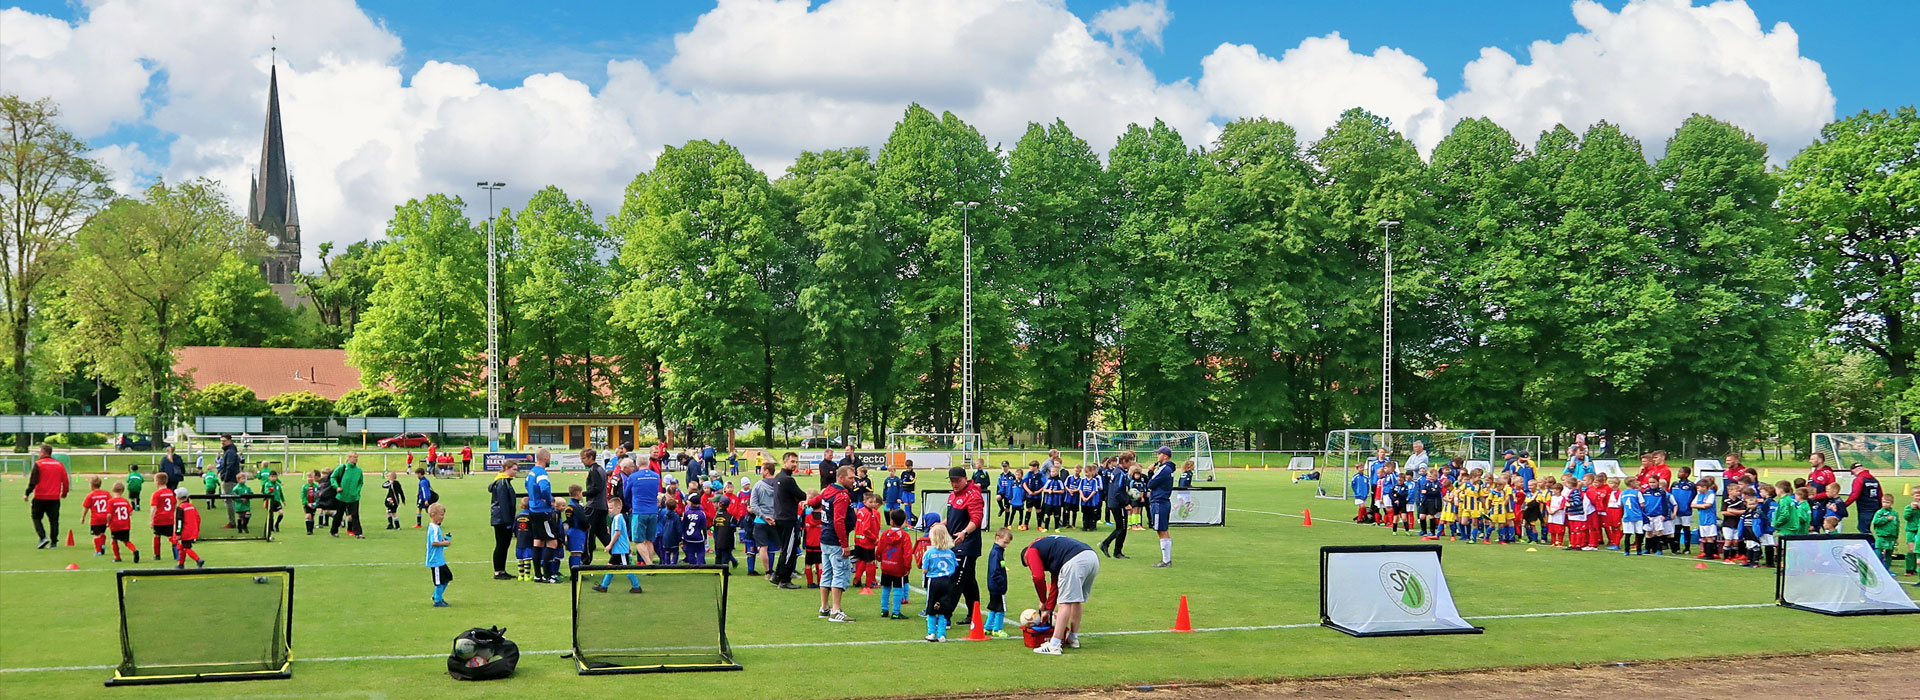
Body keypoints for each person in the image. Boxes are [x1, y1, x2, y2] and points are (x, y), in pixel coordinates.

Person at [1023, 534, 1099, 656]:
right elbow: (1055, 583)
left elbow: (1038, 577)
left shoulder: (1031, 551)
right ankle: (1073, 638)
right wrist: (1048, 609)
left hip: (1075, 561)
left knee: (1064, 603)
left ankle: (1054, 645)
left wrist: (1043, 600)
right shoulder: (1051, 549)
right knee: (1076, 600)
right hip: (1092, 557)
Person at [811, 466, 857, 622]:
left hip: (825, 537)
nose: (853, 481)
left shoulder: (828, 490)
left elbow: (814, 502)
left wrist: (806, 502)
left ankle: (824, 607)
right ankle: (836, 611)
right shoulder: (842, 496)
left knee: (827, 573)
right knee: (840, 573)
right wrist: (844, 544)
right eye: (851, 478)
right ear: (841, 478)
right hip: (836, 540)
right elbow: (839, 521)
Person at [944, 464, 987, 624]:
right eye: (952, 481)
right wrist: (941, 524)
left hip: (967, 545)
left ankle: (945, 615)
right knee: (969, 582)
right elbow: (952, 517)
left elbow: (976, 518)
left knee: (957, 579)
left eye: (957, 481)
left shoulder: (973, 495)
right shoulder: (952, 495)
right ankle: (973, 614)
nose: (954, 484)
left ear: (964, 479)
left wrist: (964, 533)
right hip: (955, 543)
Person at [770, 453, 808, 589]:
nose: (795, 464)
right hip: (788, 518)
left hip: (779, 516)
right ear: (785, 462)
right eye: (792, 461)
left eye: (796, 462)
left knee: (786, 548)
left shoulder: (778, 478)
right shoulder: (788, 480)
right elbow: (802, 495)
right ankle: (784, 580)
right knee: (790, 550)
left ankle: (777, 575)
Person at [525, 449, 562, 583]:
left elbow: (526, 485)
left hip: (533, 509)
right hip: (542, 511)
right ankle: (548, 575)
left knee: (538, 540)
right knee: (552, 541)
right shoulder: (541, 473)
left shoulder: (532, 472)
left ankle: (537, 575)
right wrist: (549, 499)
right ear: (545, 457)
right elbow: (544, 488)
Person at [595, 496, 645, 594]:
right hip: (619, 549)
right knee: (611, 566)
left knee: (626, 568)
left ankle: (636, 586)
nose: (609, 510)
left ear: (618, 508)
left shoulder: (617, 518)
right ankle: (604, 586)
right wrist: (629, 546)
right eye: (608, 508)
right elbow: (624, 533)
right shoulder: (620, 518)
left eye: (610, 508)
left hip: (620, 549)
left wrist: (610, 545)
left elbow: (618, 533)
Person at [25, 444, 70, 548]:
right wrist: (64, 493)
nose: (38, 454)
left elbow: (33, 481)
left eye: (39, 452)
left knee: (36, 517)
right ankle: (54, 542)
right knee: (54, 521)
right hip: (54, 498)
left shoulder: (38, 464)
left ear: (44, 452)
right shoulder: (59, 464)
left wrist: (27, 493)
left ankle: (43, 537)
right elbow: (65, 481)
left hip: (40, 496)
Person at [919, 522, 958, 642]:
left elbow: (925, 569)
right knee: (944, 608)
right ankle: (942, 634)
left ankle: (931, 633)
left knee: (931, 607)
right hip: (947, 581)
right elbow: (955, 566)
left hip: (934, 581)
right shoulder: (950, 553)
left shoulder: (929, 553)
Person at [622, 454, 662, 568]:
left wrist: (630, 505)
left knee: (638, 541)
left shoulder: (633, 477)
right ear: (648, 463)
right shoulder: (656, 476)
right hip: (653, 511)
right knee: (649, 540)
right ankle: (650, 563)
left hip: (639, 511)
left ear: (637, 465)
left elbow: (626, 494)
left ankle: (649, 565)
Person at [876, 509, 914, 619]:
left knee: (886, 587)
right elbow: (907, 553)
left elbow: (880, 548)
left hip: (886, 565)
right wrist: (908, 566)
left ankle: (884, 610)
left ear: (891, 521)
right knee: (898, 588)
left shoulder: (884, 534)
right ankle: (896, 612)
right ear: (903, 522)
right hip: (898, 567)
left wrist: (878, 557)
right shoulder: (905, 536)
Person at [1101, 453, 1135, 558]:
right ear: (1124, 461)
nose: (1132, 463)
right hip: (1118, 503)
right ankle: (1114, 550)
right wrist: (1126, 503)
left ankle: (1109, 546)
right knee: (1122, 528)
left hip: (1114, 502)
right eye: (1130, 461)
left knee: (1121, 528)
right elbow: (1117, 490)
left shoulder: (1117, 471)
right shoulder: (1119, 473)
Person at [1146, 446, 1176, 567]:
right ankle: (1166, 559)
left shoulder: (1164, 469)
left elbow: (1151, 483)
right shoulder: (1168, 469)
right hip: (1162, 501)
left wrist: (1150, 472)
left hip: (1159, 501)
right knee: (1163, 529)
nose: (1157, 456)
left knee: (1161, 530)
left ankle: (1166, 560)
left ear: (1165, 456)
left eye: (1159, 454)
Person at [329, 452, 365, 538]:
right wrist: (336, 487)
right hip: (342, 496)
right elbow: (333, 477)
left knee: (355, 515)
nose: (356, 459)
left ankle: (358, 533)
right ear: (349, 458)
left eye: (357, 457)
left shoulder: (358, 470)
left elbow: (360, 482)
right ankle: (334, 531)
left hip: (354, 497)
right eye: (354, 457)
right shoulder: (342, 468)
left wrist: (357, 491)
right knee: (339, 514)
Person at [1842, 463, 1884, 535]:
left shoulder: (1859, 479)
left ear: (1857, 470)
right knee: (1879, 528)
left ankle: (1871, 544)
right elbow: (1880, 495)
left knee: (1863, 528)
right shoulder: (1874, 480)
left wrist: (1844, 505)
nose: (1854, 475)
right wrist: (1881, 507)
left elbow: (1854, 495)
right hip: (1876, 506)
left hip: (1865, 508)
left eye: (1853, 473)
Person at [852, 492, 882, 594]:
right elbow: (866, 529)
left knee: (861, 560)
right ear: (864, 502)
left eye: (874, 502)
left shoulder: (860, 511)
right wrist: (875, 539)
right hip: (867, 542)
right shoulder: (869, 513)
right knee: (870, 561)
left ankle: (857, 579)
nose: (873, 504)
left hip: (859, 540)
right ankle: (871, 582)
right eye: (871, 502)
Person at [984, 527, 1012, 638]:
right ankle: (997, 629)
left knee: (993, 607)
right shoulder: (996, 553)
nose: (1006, 545)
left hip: (993, 585)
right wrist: (1001, 582)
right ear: (997, 538)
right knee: (1001, 609)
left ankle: (988, 627)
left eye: (1008, 543)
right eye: (1005, 542)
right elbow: (995, 570)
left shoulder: (997, 551)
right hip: (997, 586)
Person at [425, 502, 452, 607]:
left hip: (440, 559)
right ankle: (437, 600)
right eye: (441, 514)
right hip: (435, 560)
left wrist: (444, 541)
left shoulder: (436, 527)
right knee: (439, 581)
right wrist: (444, 543)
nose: (442, 517)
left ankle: (437, 594)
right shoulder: (434, 528)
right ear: (433, 514)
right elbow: (434, 543)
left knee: (448, 577)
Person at [173, 486, 205, 569]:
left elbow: (179, 522)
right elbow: (198, 518)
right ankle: (181, 564)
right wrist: (197, 528)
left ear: (178, 498)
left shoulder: (180, 508)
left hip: (185, 531)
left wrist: (178, 532)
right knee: (182, 547)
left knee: (186, 547)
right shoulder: (192, 506)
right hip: (193, 530)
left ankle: (198, 559)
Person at [106, 482, 137, 562]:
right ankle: (134, 550)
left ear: (112, 490)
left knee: (114, 540)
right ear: (122, 491)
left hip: (115, 525)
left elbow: (109, 515)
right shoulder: (125, 501)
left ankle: (117, 557)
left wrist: (108, 523)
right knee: (126, 541)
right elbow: (130, 512)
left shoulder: (111, 501)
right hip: (125, 524)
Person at [82, 476, 111, 556]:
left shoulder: (90, 496)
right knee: (102, 533)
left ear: (91, 485)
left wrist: (83, 517)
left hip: (96, 519)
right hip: (105, 518)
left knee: (96, 535)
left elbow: (86, 508)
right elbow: (110, 504)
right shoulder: (106, 494)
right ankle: (102, 545)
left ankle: (98, 551)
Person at [1870, 493, 1900, 567]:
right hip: (1882, 536)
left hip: (1891, 537)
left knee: (1889, 555)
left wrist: (1896, 537)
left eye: (1887, 502)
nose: (1885, 504)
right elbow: (1875, 522)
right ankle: (1876, 568)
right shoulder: (1879, 512)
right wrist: (1886, 519)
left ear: (1892, 503)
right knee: (1878, 553)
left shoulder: (1894, 513)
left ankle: (1887, 570)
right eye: (1883, 502)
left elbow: (1897, 526)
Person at [681, 495, 709, 566]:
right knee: (701, 551)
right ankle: (699, 564)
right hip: (698, 537)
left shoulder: (687, 513)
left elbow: (684, 525)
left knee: (690, 552)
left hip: (688, 537)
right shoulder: (702, 513)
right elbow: (704, 527)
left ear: (692, 503)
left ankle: (692, 564)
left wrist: (683, 536)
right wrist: (705, 537)